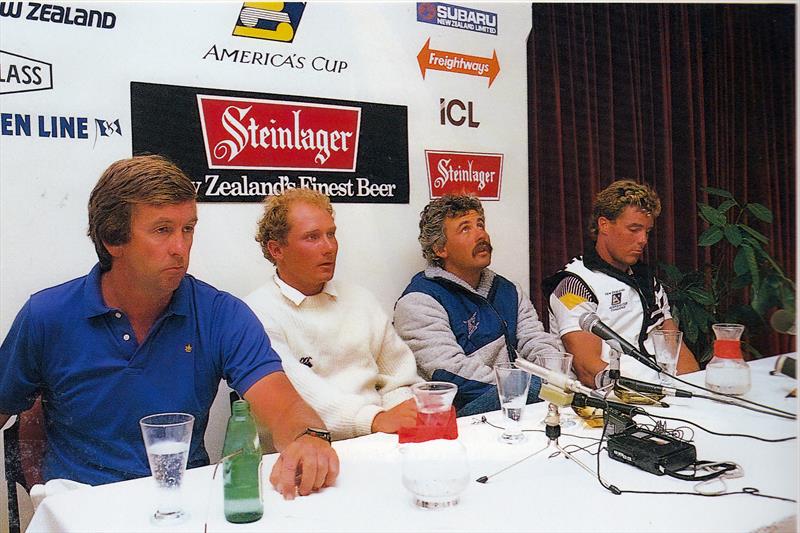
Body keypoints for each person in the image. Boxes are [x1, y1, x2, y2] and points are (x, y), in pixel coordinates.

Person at [0, 155, 337, 499]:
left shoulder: (220, 314)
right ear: (113, 239)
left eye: (187, 229)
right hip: (82, 505)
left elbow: (282, 404)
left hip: (182, 503)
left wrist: (308, 439)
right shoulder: (47, 315)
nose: (180, 248)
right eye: (162, 230)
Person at [244, 188, 422, 440]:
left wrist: (400, 420)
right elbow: (296, 398)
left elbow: (399, 380)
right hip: (305, 451)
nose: (329, 247)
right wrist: (376, 420)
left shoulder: (361, 299)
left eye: (331, 234)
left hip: (381, 439)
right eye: (312, 237)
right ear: (276, 250)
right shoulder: (256, 312)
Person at [394, 194, 562, 417]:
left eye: (480, 225)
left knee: (565, 382)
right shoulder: (419, 301)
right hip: (460, 411)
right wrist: (526, 386)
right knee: (538, 387)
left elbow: (536, 340)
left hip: (513, 400)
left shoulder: (508, 290)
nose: (481, 234)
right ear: (439, 249)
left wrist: (556, 375)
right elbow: (450, 372)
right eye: (465, 229)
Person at [543, 179, 699, 388]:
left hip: (665, 393)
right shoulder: (573, 284)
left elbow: (674, 349)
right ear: (604, 224)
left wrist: (696, 391)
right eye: (634, 229)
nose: (643, 239)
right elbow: (589, 372)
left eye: (647, 231)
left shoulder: (646, 278)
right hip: (615, 400)